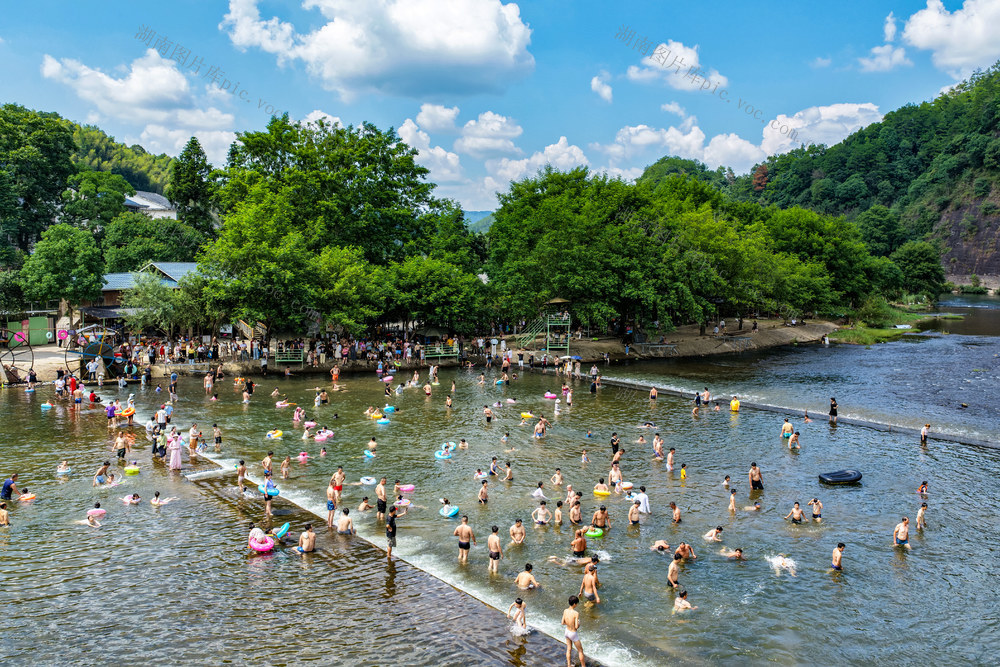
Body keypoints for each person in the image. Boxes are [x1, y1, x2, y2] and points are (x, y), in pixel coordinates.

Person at [562, 596, 585, 667]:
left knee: (569, 649)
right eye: (577, 603)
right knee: (580, 650)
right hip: (573, 633)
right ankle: (583, 666)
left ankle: (569, 665)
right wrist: (579, 623)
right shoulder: (576, 613)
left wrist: (569, 624)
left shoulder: (565, 610)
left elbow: (562, 622)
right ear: (574, 604)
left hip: (567, 631)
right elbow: (576, 627)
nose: (577, 605)